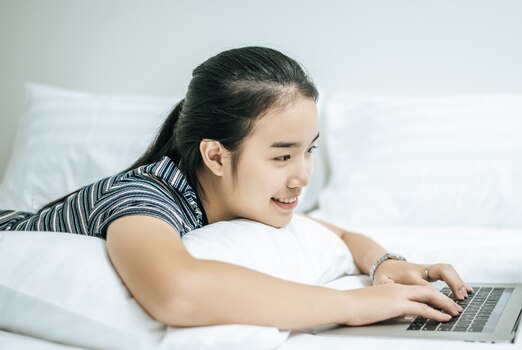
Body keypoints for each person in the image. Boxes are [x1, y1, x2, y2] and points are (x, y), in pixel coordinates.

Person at [0, 46, 471, 330]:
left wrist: (387, 265)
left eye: (310, 150)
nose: (302, 175)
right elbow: (176, 292)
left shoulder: (231, 197)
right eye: (282, 155)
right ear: (216, 156)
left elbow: (343, 237)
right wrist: (354, 305)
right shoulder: (141, 199)